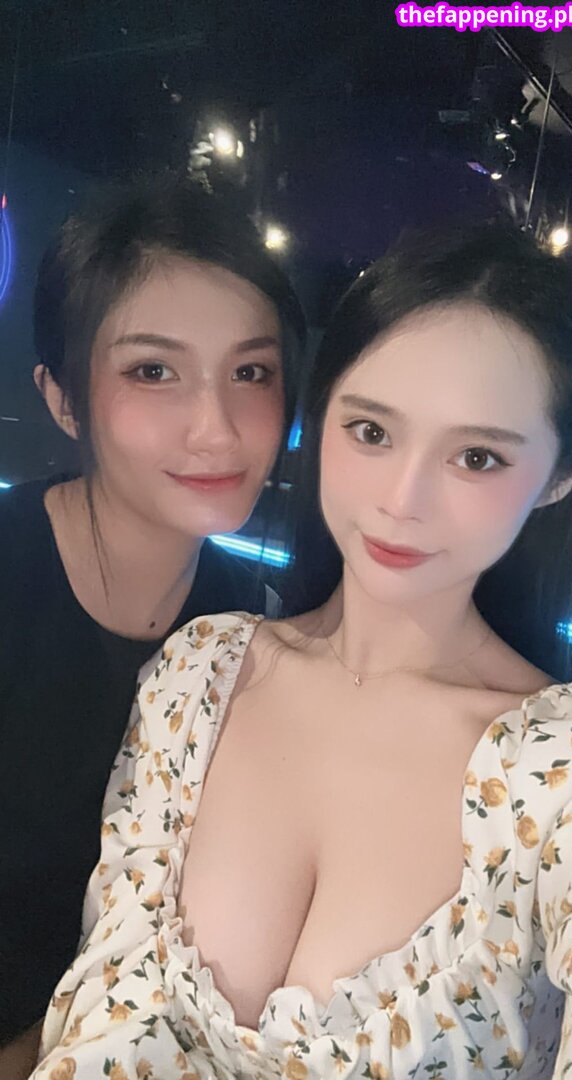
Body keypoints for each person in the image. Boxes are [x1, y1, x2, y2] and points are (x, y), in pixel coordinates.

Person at [32, 223, 572, 1080]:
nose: (402, 499)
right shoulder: (199, 673)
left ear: (563, 471)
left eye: (477, 456)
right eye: (371, 432)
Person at [0, 175, 305, 1056]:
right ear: (62, 398)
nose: (217, 428)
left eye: (250, 372)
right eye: (153, 371)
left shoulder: (248, 635)